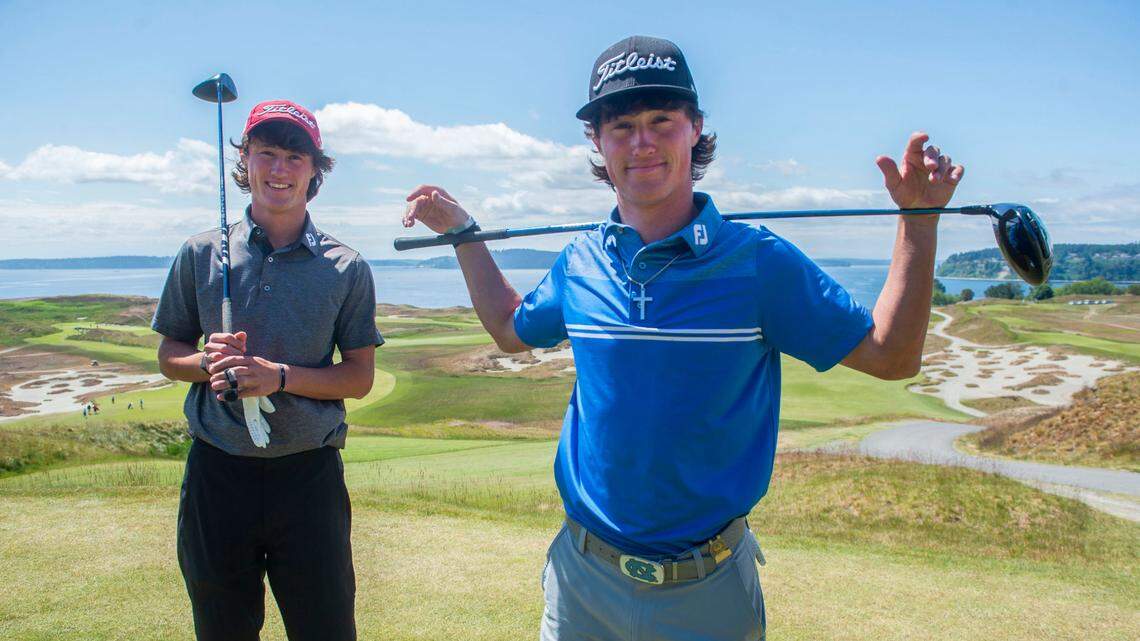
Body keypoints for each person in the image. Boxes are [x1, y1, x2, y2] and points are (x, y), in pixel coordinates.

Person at [401, 35, 963, 641]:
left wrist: (918, 221)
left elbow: (891, 356)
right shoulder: (580, 261)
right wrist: (463, 232)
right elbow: (511, 330)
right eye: (621, 126)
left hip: (707, 590)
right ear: (597, 142)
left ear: (695, 128)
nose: (641, 142)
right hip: (581, 581)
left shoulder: (758, 262)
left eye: (661, 121)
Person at [152, 99, 382, 641]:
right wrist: (205, 363)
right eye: (267, 153)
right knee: (222, 630)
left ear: (315, 170)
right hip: (217, 474)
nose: (280, 170)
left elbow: (359, 378)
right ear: (246, 161)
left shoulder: (346, 267)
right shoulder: (200, 253)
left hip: (308, 479)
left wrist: (277, 376)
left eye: (295, 157)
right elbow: (169, 355)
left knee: (325, 630)